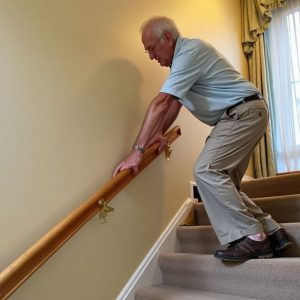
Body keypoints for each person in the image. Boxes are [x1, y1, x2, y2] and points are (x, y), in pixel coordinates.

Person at [113, 16, 292, 262]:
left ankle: (253, 238)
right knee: (225, 182)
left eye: (151, 48)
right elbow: (175, 102)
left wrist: (137, 152)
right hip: (245, 113)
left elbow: (161, 102)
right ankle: (273, 231)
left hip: (241, 113)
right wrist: (158, 133)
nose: (151, 56)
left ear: (167, 38)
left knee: (206, 171)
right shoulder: (182, 64)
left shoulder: (190, 51)